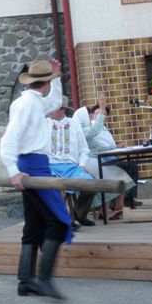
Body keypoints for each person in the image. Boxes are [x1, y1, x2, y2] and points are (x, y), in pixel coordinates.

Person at [0, 59, 72, 300]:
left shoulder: (32, 101)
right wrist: (12, 170)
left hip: (34, 164)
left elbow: (53, 102)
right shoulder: (28, 105)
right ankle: (43, 280)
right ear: (45, 83)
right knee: (58, 221)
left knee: (34, 224)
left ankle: (26, 281)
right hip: (32, 166)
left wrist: (56, 77)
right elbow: (9, 138)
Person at [74, 97, 136, 220]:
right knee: (109, 175)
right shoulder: (81, 130)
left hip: (94, 159)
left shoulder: (84, 129)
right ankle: (105, 210)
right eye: (89, 116)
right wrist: (102, 109)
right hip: (85, 163)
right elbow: (94, 133)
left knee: (119, 173)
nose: (91, 118)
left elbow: (98, 147)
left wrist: (115, 147)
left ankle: (114, 207)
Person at [47, 95, 97, 228]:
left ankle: (78, 215)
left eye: (53, 107)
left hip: (72, 167)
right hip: (51, 167)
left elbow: (84, 149)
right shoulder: (44, 124)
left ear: (62, 109)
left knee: (91, 184)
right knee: (55, 187)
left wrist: (82, 165)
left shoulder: (74, 124)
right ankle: (63, 220)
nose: (49, 110)